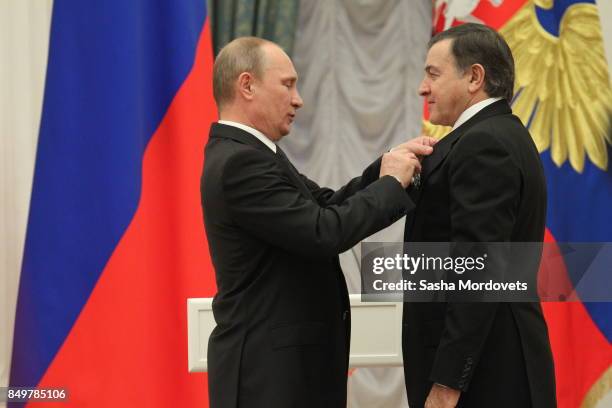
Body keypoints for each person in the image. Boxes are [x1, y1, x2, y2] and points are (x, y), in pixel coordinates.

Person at [201, 37, 434, 408]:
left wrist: (388, 165)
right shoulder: (240, 163)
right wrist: (391, 183)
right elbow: (323, 231)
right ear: (247, 85)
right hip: (271, 377)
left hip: (285, 370)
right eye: (288, 84)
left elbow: (327, 203)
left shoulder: (251, 154)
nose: (298, 99)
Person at [402, 24, 556, 408]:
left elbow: (479, 270)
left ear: (474, 77)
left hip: (486, 379)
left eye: (433, 74)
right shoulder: (493, 135)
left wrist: (448, 383)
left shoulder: (484, 143)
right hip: (489, 369)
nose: (423, 88)